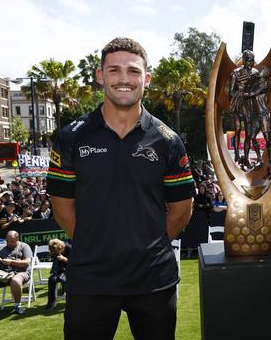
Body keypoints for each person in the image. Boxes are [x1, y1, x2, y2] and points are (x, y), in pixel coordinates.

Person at [48, 37, 195, 339]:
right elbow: (62, 208)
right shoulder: (71, 136)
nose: (124, 79)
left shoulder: (168, 140)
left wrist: (146, 245)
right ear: (100, 76)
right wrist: (97, 243)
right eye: (114, 70)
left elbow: (181, 210)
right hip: (90, 280)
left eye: (133, 71)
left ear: (147, 78)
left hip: (154, 279)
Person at [0, 230, 32, 316]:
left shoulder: (24, 246)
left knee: (16, 280)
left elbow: (27, 262)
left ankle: (18, 306)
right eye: (8, 241)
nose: (9, 243)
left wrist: (11, 262)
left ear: (18, 239)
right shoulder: (0, 248)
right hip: (3, 274)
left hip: (21, 272)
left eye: (12, 241)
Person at [46, 238, 72, 310]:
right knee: (51, 280)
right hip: (59, 271)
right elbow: (54, 261)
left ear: (61, 246)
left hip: (71, 271)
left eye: (59, 249)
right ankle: (51, 302)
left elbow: (75, 263)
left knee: (65, 280)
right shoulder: (54, 250)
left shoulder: (70, 248)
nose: (57, 251)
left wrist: (64, 259)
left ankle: (71, 301)